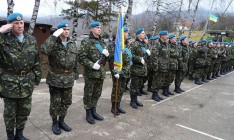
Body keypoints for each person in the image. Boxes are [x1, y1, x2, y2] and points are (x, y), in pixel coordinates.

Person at [0, 13, 42, 140]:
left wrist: (37, 77)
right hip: (9, 82)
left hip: (27, 81)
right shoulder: (3, 39)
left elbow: (36, 60)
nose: (19, 26)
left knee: (24, 111)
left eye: (21, 23)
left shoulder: (31, 39)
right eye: (16, 23)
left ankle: (19, 134)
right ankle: (10, 136)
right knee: (10, 113)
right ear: (10, 25)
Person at [41, 21, 79, 135]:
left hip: (68, 78)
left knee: (66, 101)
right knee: (55, 102)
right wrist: (53, 36)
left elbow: (75, 60)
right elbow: (44, 50)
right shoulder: (53, 43)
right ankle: (54, 123)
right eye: (64, 29)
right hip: (55, 78)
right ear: (59, 31)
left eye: (68, 29)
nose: (67, 31)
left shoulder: (72, 43)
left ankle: (61, 121)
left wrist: (76, 75)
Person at [78, 21, 109, 124]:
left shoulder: (102, 43)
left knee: (97, 93)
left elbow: (104, 60)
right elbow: (81, 57)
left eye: (100, 27)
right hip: (91, 74)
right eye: (96, 27)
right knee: (89, 94)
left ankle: (93, 111)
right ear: (91, 29)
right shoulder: (86, 42)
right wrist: (92, 65)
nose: (99, 29)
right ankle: (88, 113)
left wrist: (107, 56)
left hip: (100, 73)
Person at [108, 26, 131, 115]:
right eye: (125, 32)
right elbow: (111, 61)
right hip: (117, 70)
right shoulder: (113, 45)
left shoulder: (126, 44)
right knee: (116, 89)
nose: (127, 34)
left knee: (121, 89)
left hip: (125, 70)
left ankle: (118, 105)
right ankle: (113, 106)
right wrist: (115, 72)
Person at [129, 28, 150, 109]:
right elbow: (131, 55)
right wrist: (139, 59)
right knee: (134, 86)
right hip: (136, 69)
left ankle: (136, 100)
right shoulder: (134, 44)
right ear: (138, 35)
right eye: (142, 33)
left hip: (142, 69)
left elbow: (145, 57)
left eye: (144, 33)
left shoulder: (143, 44)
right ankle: (132, 101)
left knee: (138, 86)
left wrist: (148, 55)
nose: (144, 34)